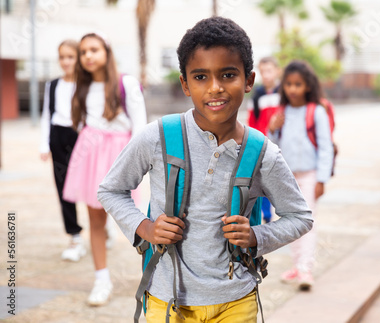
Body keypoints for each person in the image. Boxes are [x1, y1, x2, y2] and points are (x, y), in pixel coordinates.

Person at [97, 17, 312, 322]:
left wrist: (256, 236)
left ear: (248, 81)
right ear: (185, 83)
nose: (215, 88)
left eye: (228, 75)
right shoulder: (156, 136)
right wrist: (144, 228)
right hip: (166, 298)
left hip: (236, 300)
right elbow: (111, 189)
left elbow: (300, 217)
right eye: (200, 77)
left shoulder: (262, 153)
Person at [62, 33, 147, 306]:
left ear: (106, 52)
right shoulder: (82, 87)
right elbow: (81, 122)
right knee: (95, 222)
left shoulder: (126, 83)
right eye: (83, 51)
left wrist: (136, 166)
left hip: (120, 158)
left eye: (94, 49)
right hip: (90, 158)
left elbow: (140, 128)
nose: (88, 55)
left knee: (138, 223)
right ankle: (101, 280)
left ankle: (152, 277)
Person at [268, 60, 334, 290]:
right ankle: (297, 265)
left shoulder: (316, 112)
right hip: (286, 177)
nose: (293, 89)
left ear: (308, 86)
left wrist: (322, 179)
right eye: (288, 84)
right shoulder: (282, 113)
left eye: (298, 84)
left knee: (307, 222)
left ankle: (306, 268)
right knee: (290, 221)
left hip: (310, 175)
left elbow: (326, 147)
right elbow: (272, 147)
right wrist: (272, 128)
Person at [40, 40, 86, 262]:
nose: (66, 61)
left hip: (81, 137)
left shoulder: (86, 84)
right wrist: (44, 144)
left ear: (78, 58)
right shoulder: (52, 85)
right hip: (58, 137)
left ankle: (102, 225)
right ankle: (75, 237)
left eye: (70, 56)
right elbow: (46, 116)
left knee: (89, 185)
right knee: (63, 188)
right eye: (62, 57)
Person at [247, 56, 281, 223]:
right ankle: (266, 213)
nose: (266, 75)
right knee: (263, 180)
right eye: (263, 71)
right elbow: (252, 121)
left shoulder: (284, 93)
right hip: (263, 145)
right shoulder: (257, 95)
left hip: (281, 144)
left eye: (269, 70)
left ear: (277, 71)